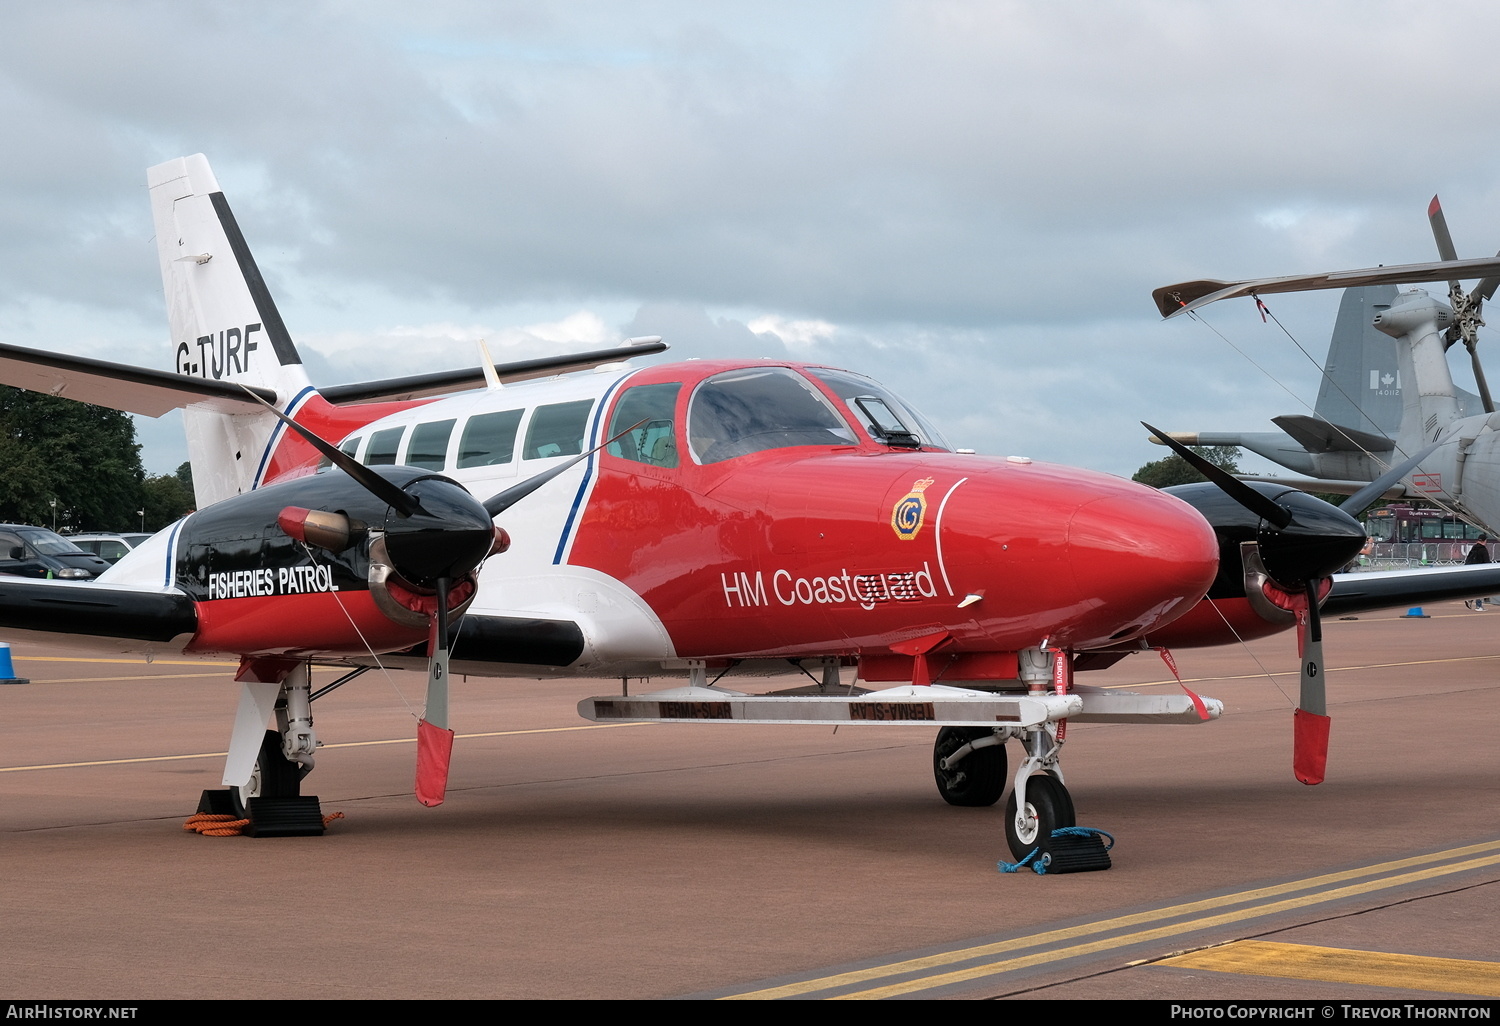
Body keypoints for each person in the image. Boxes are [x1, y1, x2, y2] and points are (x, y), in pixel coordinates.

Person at [1465, 534, 1491, 610]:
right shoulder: (1483, 550)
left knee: (1476, 588)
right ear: (1485, 541)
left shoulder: (1474, 548)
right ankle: (1479, 606)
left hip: (1471, 570)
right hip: (1480, 571)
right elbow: (1487, 562)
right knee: (1481, 589)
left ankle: (1470, 599)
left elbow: (1468, 559)